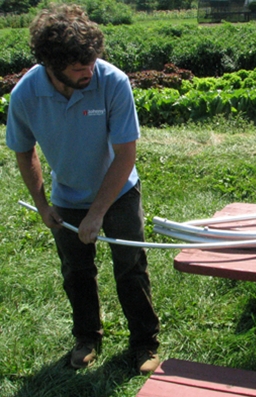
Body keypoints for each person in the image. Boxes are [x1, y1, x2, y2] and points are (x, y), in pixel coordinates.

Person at [6, 3, 160, 373]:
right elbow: (24, 152)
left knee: (130, 266)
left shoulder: (113, 82)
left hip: (119, 192)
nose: (89, 71)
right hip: (67, 196)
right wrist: (43, 206)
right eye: (79, 67)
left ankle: (143, 343)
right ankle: (87, 337)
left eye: (92, 62)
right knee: (76, 271)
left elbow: (125, 155)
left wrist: (97, 213)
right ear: (51, 65)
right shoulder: (25, 96)